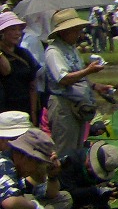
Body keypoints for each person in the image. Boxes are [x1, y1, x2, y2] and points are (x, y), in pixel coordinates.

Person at [42, 9, 110, 164]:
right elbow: (63, 78)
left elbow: (78, 74)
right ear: (64, 32)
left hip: (78, 104)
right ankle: (61, 183)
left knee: (78, 148)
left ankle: (73, 181)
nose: (79, 34)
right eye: (75, 30)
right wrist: (88, 70)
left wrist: (95, 86)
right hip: (63, 104)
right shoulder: (54, 51)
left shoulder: (71, 49)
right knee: (64, 149)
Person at [0, 11, 40, 122]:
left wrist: (33, 112)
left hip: (24, 107)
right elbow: (6, 70)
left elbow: (32, 83)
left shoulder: (24, 54)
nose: (18, 33)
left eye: (19, 29)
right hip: (4, 109)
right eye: (13, 29)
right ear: (2, 32)